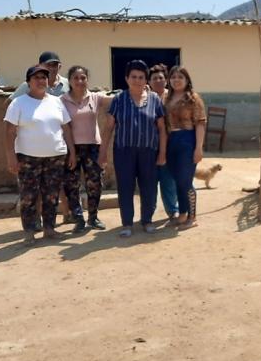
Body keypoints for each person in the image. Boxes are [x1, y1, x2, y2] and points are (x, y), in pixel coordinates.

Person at [4, 65, 77, 246]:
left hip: (55, 156)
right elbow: (9, 132)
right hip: (28, 158)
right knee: (28, 196)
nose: (41, 81)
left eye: (44, 77)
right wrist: (11, 157)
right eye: (36, 78)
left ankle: (49, 229)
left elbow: (66, 128)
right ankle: (29, 232)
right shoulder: (18, 103)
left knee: (51, 195)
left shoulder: (56, 102)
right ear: (28, 82)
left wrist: (72, 152)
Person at [99, 60, 167, 237]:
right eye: (133, 77)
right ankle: (127, 224)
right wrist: (102, 153)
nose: (137, 80)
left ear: (146, 80)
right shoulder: (119, 100)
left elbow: (162, 129)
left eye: (141, 77)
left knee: (149, 187)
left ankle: (147, 220)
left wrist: (162, 153)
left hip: (149, 151)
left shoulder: (154, 100)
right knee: (125, 187)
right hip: (124, 151)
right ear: (127, 79)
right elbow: (108, 128)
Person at [60, 65, 113, 233]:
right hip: (71, 148)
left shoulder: (95, 97)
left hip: (93, 147)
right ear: (69, 81)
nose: (79, 81)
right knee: (71, 184)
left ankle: (93, 217)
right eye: (75, 78)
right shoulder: (62, 100)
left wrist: (140, 90)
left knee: (95, 183)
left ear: (87, 80)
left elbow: (117, 99)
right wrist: (71, 152)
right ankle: (78, 218)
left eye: (83, 77)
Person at [164, 66, 206, 230]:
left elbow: (200, 123)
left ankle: (192, 217)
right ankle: (182, 214)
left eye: (180, 77)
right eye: (173, 77)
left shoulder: (193, 98)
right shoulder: (167, 98)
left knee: (185, 180)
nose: (176, 80)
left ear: (187, 80)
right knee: (177, 180)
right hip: (171, 140)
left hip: (188, 140)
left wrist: (198, 148)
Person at [149, 64, 180, 221]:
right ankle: (148, 214)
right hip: (149, 145)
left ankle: (173, 210)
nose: (158, 81)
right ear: (149, 82)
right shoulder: (145, 98)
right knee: (149, 181)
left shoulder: (173, 98)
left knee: (169, 179)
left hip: (171, 143)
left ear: (166, 80)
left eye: (161, 78)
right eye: (154, 78)